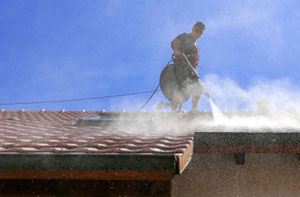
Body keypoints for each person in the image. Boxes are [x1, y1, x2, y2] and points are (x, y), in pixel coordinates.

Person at [171, 21, 206, 112]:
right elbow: (174, 42)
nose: (197, 33)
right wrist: (176, 50)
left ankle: (193, 110)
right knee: (182, 87)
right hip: (181, 65)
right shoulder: (185, 36)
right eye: (196, 30)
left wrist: (194, 70)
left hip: (190, 69)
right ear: (193, 28)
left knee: (199, 88)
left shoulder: (195, 47)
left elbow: (194, 61)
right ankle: (173, 111)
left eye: (200, 32)